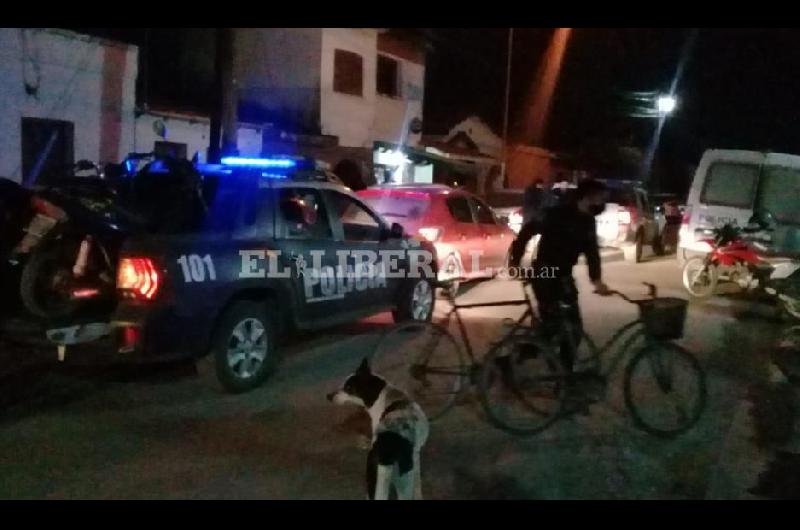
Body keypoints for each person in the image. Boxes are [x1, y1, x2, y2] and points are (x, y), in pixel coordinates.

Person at [509, 178, 613, 380]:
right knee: (552, 328)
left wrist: (597, 280)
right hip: (545, 274)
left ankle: (564, 374)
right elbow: (527, 231)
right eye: (600, 198)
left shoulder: (588, 221)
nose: (602, 203)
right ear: (586, 197)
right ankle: (509, 361)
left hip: (563, 277)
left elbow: (592, 253)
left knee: (574, 330)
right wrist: (515, 261)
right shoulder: (556, 214)